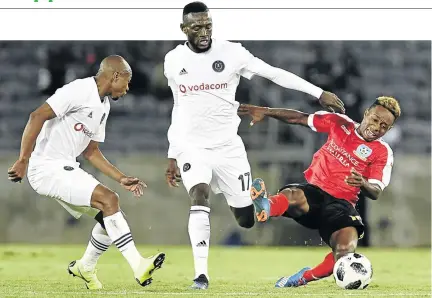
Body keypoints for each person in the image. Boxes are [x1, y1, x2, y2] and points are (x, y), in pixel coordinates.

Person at [163, 1, 345, 290]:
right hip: (192, 146)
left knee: (246, 219)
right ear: (183, 28)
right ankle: (201, 275)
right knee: (199, 195)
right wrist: (173, 152)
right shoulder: (173, 60)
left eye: (208, 24)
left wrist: (318, 92)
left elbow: (273, 73)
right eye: (197, 26)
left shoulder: (232, 52)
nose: (204, 31)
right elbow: (179, 107)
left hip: (228, 148)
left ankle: (259, 202)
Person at [7, 55, 165, 290]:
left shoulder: (104, 106)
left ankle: (85, 267)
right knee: (109, 200)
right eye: (127, 82)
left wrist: (121, 177)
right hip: (47, 167)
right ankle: (139, 266)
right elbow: (37, 116)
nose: (128, 88)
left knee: (110, 217)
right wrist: (23, 160)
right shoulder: (78, 90)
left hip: (65, 166)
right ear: (115, 76)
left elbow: (91, 152)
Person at [238, 96, 400, 288]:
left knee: (345, 252)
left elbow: (376, 191)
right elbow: (299, 118)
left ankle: (303, 277)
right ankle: (266, 206)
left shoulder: (382, 151)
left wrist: (363, 183)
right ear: (366, 113)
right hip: (313, 195)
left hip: (341, 207)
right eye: (375, 119)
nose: (376, 128)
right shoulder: (339, 123)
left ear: (388, 130)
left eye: (383, 126)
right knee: (294, 195)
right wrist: (266, 111)